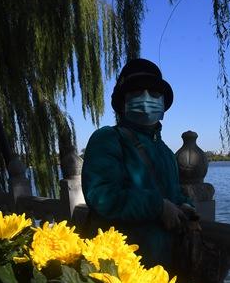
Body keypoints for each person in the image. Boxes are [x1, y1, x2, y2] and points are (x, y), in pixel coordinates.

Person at [81, 58, 195, 269]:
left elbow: (172, 192)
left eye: (154, 93)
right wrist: (157, 206)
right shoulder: (107, 138)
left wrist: (186, 205)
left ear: (163, 103)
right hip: (118, 267)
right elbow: (101, 195)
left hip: (163, 268)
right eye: (136, 92)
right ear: (122, 102)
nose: (146, 98)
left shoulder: (166, 152)